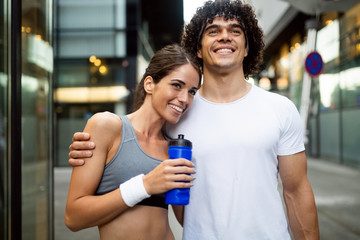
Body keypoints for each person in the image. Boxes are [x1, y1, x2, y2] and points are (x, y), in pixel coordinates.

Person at [68, 1, 319, 239]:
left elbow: (296, 192)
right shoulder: (176, 116)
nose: (224, 36)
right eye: (213, 30)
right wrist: (90, 145)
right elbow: (132, 139)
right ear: (198, 48)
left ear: (247, 46)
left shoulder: (280, 109)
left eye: (235, 30)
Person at [65, 44, 202, 240]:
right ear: (149, 84)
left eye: (192, 91)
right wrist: (145, 185)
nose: (184, 99)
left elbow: (187, 220)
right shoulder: (106, 126)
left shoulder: (174, 149)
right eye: (177, 85)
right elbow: (73, 218)